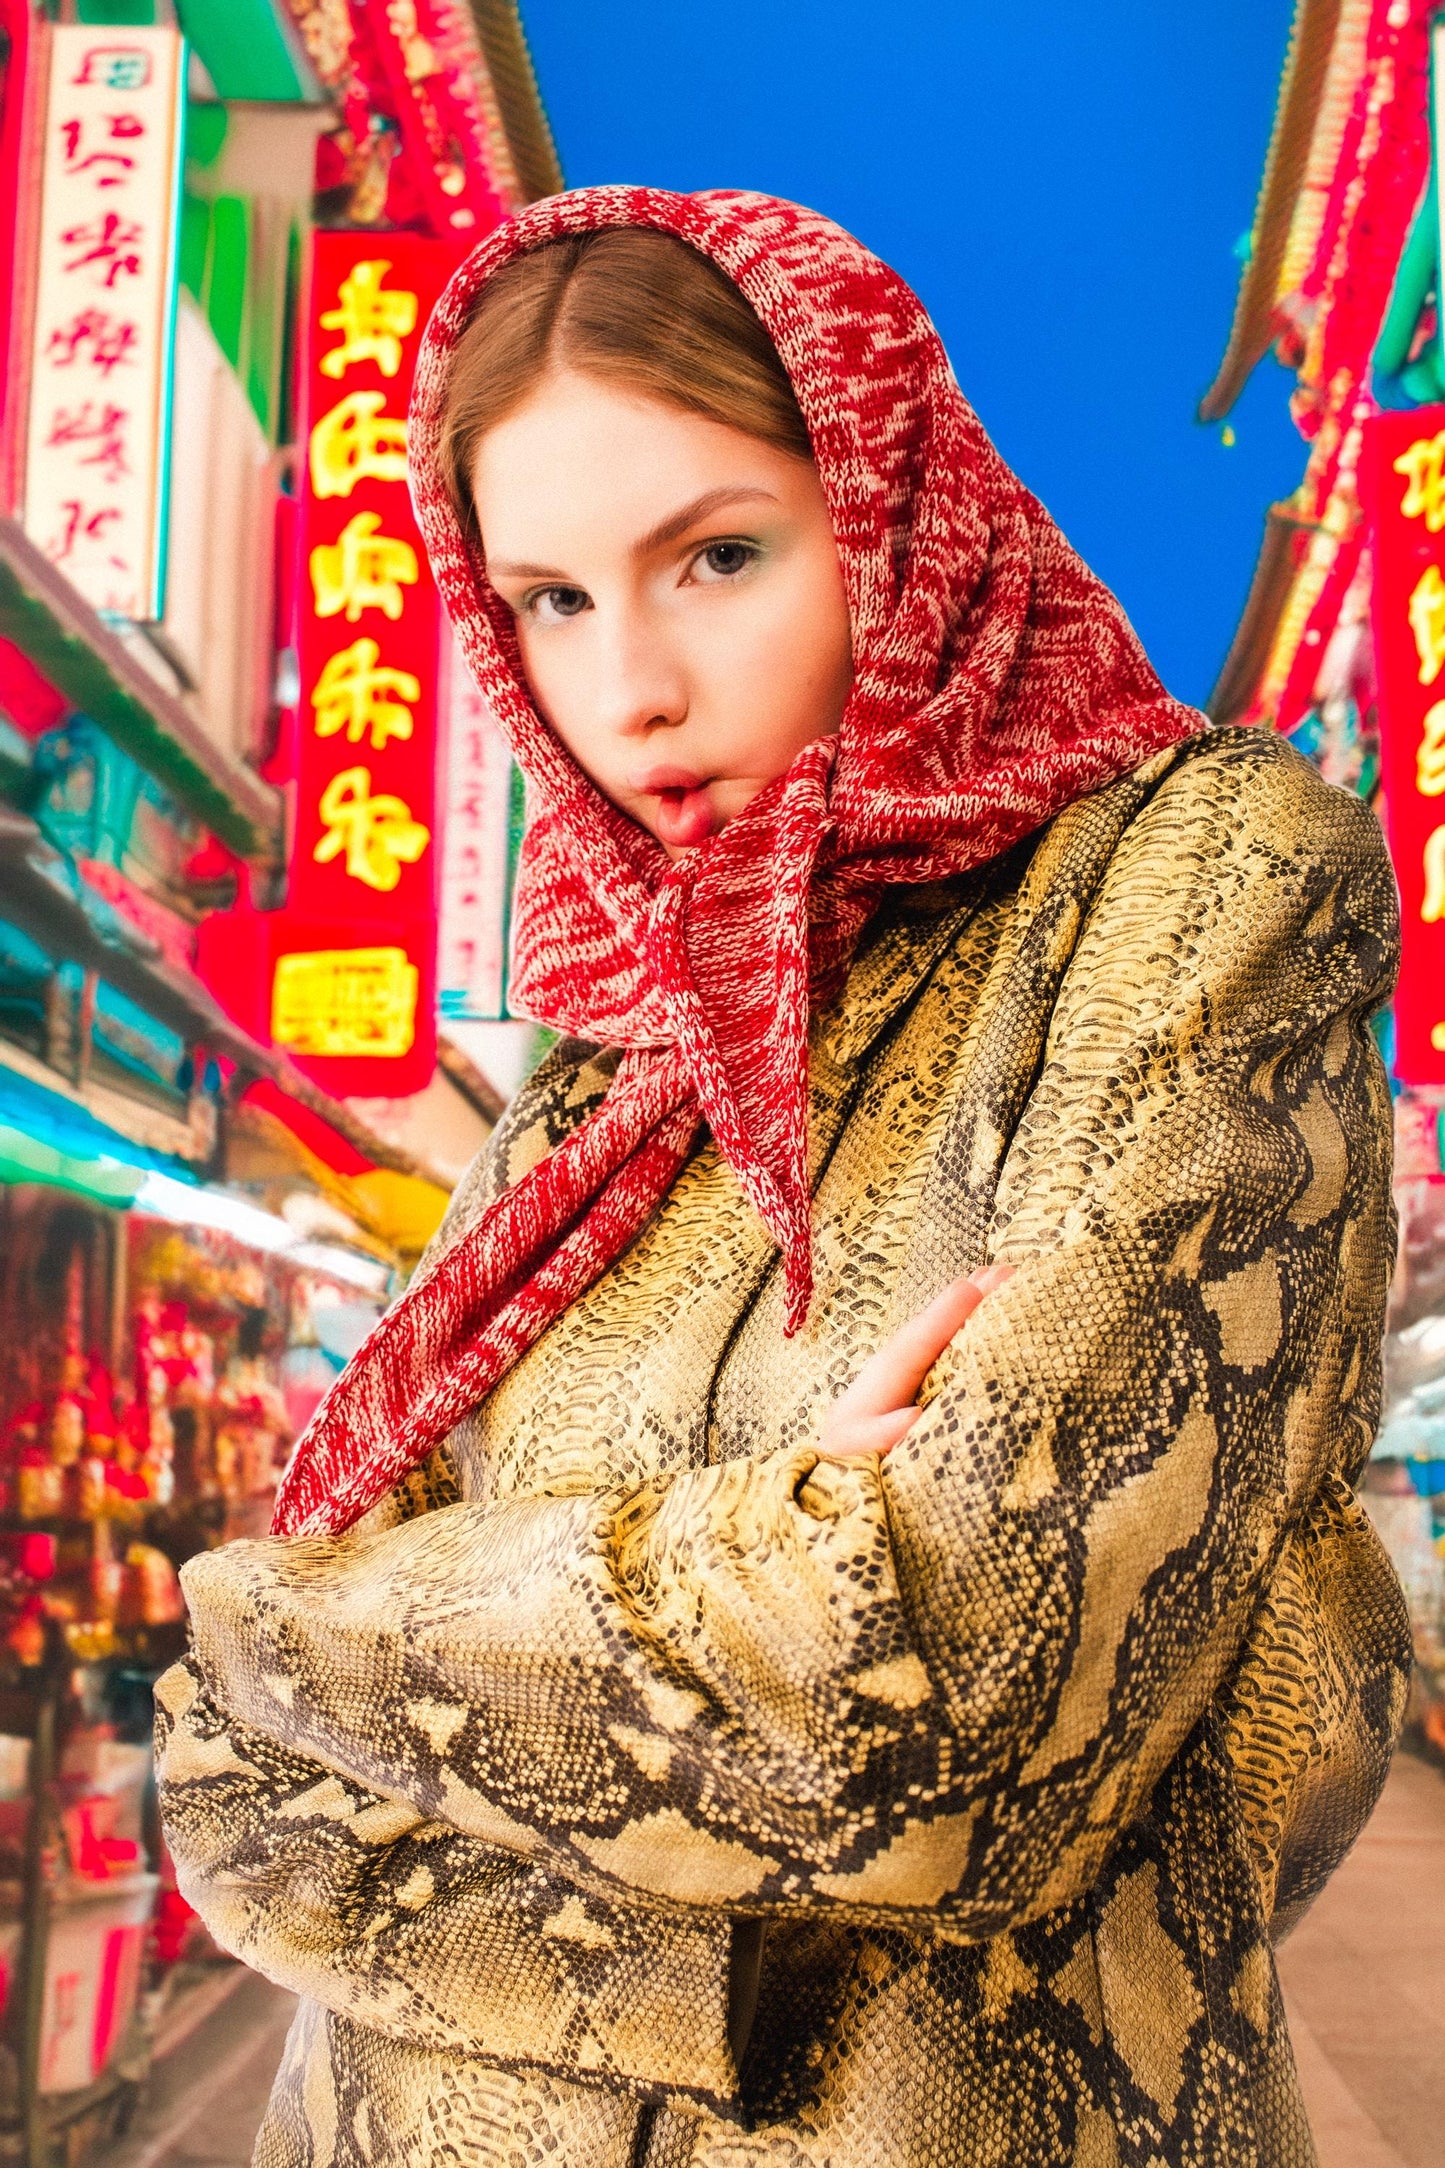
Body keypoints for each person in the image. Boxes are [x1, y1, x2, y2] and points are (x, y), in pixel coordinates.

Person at [156, 189, 1408, 2168]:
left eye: (716, 557)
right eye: (549, 599)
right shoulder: (593, 1083)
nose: (628, 687)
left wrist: (294, 1621)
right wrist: (764, 1592)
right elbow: (222, 1796)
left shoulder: (1191, 889)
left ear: (896, 515)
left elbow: (953, 1688)